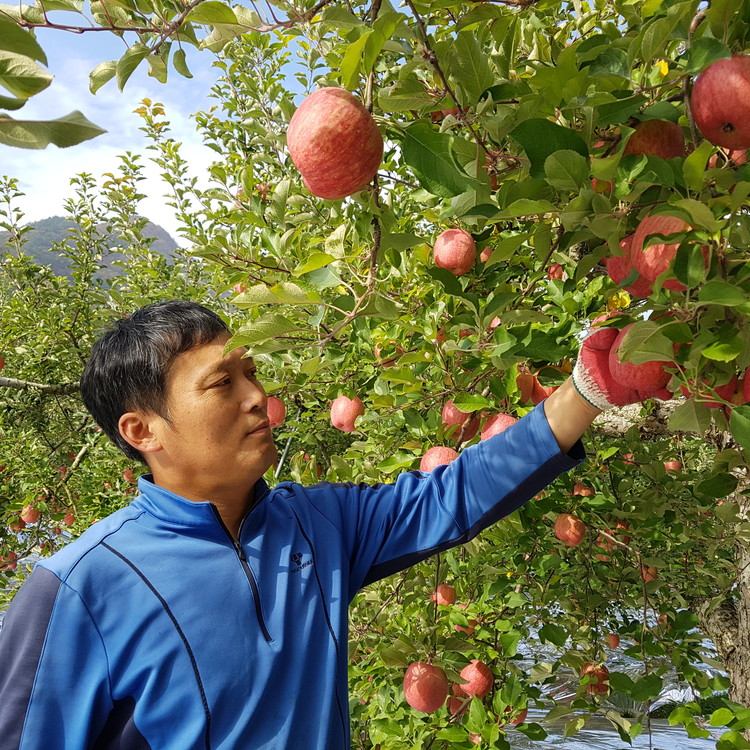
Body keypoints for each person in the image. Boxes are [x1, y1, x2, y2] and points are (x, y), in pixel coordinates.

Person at [0, 300, 642, 749]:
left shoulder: (319, 525)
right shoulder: (80, 589)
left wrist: (587, 388)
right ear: (142, 431)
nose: (256, 396)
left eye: (251, 373)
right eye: (221, 384)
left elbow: (457, 493)